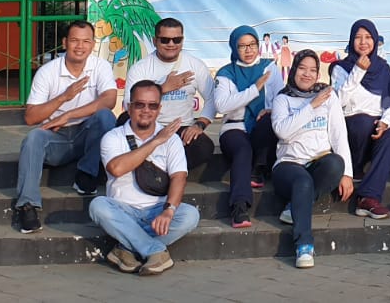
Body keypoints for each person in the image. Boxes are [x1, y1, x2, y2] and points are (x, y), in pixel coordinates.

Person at [13, 20, 116, 233]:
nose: (80, 46)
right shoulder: (47, 71)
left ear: (93, 44)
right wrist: (64, 97)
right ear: (64, 43)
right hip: (56, 138)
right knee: (33, 138)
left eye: (86, 41)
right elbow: (31, 117)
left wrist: (68, 115)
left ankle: (86, 175)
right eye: (75, 40)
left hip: (86, 136)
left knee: (105, 117)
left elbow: (109, 100)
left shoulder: (100, 66)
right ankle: (27, 205)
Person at [90, 80, 202, 275]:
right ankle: (155, 251)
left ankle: (125, 249)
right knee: (98, 206)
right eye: (140, 105)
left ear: (159, 109)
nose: (146, 110)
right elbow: (116, 169)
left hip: (157, 211)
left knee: (190, 215)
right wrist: (155, 142)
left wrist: (169, 211)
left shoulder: (172, 139)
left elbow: (179, 177)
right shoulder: (113, 137)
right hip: (122, 210)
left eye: (152, 106)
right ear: (129, 107)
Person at [270, 49, 354, 268]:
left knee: (336, 163)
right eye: (302, 68)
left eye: (313, 70)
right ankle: (304, 245)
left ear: (318, 74)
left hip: (318, 160)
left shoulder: (328, 96)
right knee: (302, 180)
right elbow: (283, 132)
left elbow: (338, 134)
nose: (307, 74)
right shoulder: (282, 99)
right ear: (293, 70)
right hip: (289, 164)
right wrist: (311, 106)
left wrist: (347, 174)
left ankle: (294, 206)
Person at [122, 18, 214, 170]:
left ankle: (164, 172)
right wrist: (163, 88)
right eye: (165, 40)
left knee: (204, 147)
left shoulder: (195, 65)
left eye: (176, 40)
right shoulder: (141, 68)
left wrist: (199, 125)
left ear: (182, 40)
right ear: (155, 41)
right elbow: (128, 104)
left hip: (181, 127)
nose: (171, 44)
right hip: (149, 126)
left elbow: (212, 98)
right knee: (123, 121)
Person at [211, 25, 279, 228]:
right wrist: (254, 89)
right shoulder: (226, 73)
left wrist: (270, 109)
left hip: (260, 128)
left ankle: (258, 168)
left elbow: (281, 96)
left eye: (252, 45)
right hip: (234, 127)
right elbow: (222, 105)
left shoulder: (269, 67)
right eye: (242, 46)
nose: (249, 50)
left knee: (269, 120)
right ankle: (239, 207)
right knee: (242, 150)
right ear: (234, 47)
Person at [331, 18, 390, 220]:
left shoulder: (383, 68)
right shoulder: (340, 68)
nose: (363, 42)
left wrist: (385, 122)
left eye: (368, 37)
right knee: (362, 122)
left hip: (375, 127)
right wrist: (358, 71)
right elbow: (338, 102)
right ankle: (355, 167)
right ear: (351, 41)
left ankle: (368, 198)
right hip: (351, 127)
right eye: (358, 37)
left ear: (375, 41)